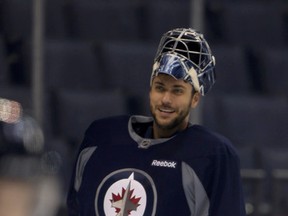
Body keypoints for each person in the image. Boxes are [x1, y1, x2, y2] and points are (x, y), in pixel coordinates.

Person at [67, 28, 246, 216]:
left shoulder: (213, 155)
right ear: (150, 89)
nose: (166, 99)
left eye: (177, 90)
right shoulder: (100, 138)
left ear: (194, 98)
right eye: (160, 87)